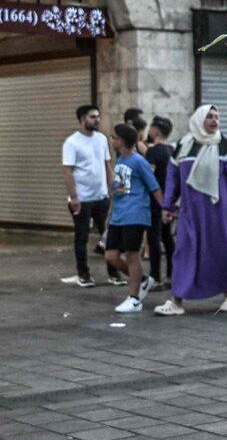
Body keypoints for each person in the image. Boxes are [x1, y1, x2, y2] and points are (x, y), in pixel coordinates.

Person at [156, 105, 227, 315]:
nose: (214, 120)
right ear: (199, 119)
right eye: (209, 116)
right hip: (190, 211)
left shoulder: (224, 146)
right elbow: (173, 177)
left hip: (220, 211)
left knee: (223, 250)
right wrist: (168, 205)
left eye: (217, 117)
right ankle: (176, 301)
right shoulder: (184, 145)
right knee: (184, 251)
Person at [106, 123, 160, 314]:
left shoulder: (139, 161)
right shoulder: (120, 160)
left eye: (113, 137)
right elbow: (118, 189)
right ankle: (143, 279)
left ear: (121, 140)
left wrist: (166, 210)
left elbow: (154, 187)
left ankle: (135, 298)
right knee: (110, 255)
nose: (111, 140)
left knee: (131, 254)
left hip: (135, 213)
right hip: (119, 215)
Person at [61, 105, 112, 286]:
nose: (97, 120)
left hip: (101, 196)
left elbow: (107, 165)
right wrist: (74, 197)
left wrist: (110, 190)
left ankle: (113, 273)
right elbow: (67, 171)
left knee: (108, 236)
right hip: (82, 198)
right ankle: (83, 274)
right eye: (92, 117)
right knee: (81, 237)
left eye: (98, 116)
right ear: (82, 119)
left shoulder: (101, 139)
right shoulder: (72, 142)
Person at [145, 116, 176, 287]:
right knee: (168, 238)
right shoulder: (172, 150)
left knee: (154, 239)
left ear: (156, 130)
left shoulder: (153, 151)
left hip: (155, 202)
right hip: (169, 201)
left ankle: (155, 277)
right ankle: (172, 275)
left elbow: (149, 176)